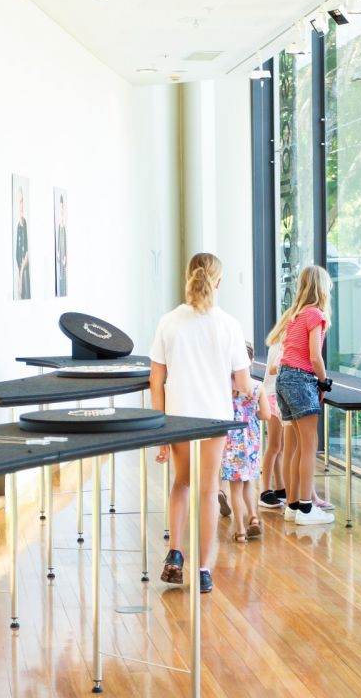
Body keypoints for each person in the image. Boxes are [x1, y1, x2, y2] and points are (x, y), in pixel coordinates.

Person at [151, 253, 250, 594]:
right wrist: (260, 392)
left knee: (182, 483)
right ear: (218, 282)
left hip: (178, 416)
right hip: (214, 417)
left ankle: (175, 554)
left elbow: (156, 379)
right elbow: (242, 382)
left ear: (187, 277)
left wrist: (159, 425)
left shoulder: (169, 321)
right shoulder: (229, 325)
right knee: (208, 491)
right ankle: (203, 569)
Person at [274, 265, 335, 526]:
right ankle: (307, 510)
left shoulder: (295, 315)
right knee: (310, 445)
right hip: (301, 379)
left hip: (284, 378)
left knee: (298, 445)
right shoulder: (315, 315)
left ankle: (293, 505)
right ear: (322, 288)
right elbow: (314, 356)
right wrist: (323, 382)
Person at [223, 343, 267, 542]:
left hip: (231, 441)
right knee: (248, 481)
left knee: (235, 488)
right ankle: (254, 518)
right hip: (252, 440)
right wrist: (251, 415)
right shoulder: (257, 386)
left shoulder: (224, 387)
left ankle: (240, 530)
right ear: (251, 361)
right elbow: (266, 414)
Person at [257, 328, 288, 509]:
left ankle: (280, 487)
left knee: (279, 446)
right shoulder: (282, 344)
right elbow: (274, 369)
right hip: (273, 395)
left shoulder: (279, 343)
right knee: (275, 446)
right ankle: (265, 490)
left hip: (275, 394)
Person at [15, 186, 30, 299]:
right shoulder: (17, 228)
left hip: (26, 277)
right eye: (19, 202)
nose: (22, 206)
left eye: (22, 201)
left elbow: (26, 258)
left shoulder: (25, 225)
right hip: (21, 277)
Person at [55, 193, 67, 296]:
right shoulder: (59, 227)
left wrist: (65, 257)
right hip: (60, 264)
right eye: (60, 209)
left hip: (64, 263)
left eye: (62, 208)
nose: (61, 211)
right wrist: (58, 254)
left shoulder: (64, 227)